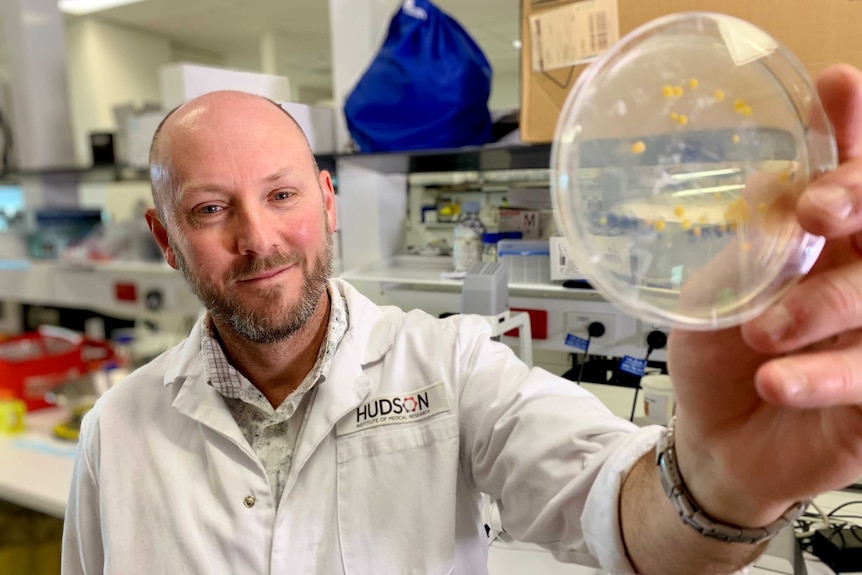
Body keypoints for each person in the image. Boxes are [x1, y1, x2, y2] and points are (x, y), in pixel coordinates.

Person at [61, 62, 862, 575]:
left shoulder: (450, 367)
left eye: (282, 194)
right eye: (210, 209)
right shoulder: (117, 431)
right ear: (165, 238)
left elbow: (620, 515)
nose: (259, 238)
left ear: (327, 200)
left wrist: (723, 479)